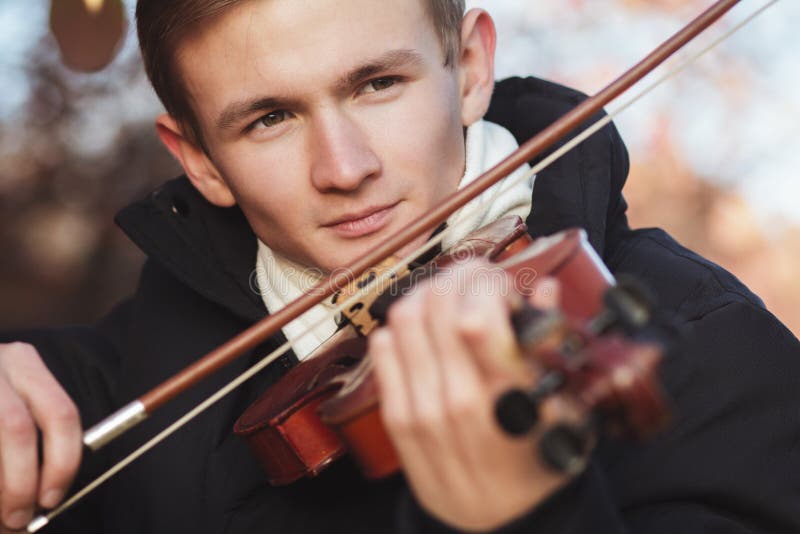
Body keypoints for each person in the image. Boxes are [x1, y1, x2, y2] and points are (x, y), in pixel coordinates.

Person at [1, 1, 799, 532]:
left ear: (470, 69)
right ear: (200, 161)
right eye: (271, 118)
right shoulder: (134, 370)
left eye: (379, 84)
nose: (343, 168)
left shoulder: (705, 345)